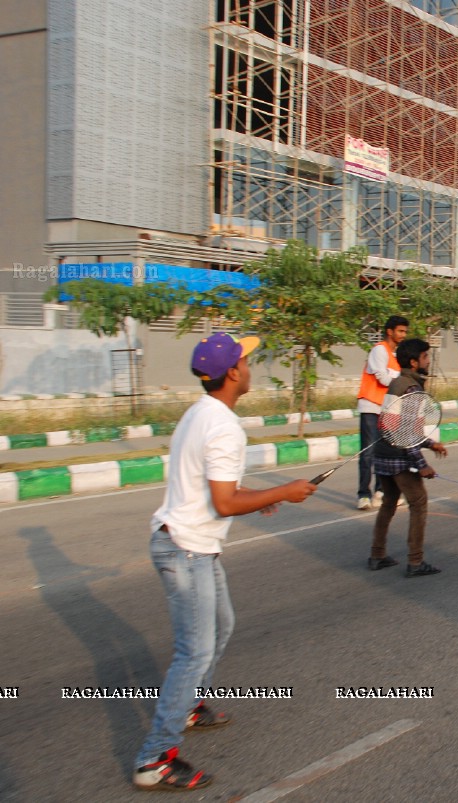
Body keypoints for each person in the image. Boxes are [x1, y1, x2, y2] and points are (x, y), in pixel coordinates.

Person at [133, 334, 317, 791]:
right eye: (247, 361)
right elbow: (223, 502)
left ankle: (190, 707)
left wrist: (260, 499)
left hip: (190, 544)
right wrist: (283, 491)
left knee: (223, 624)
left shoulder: (201, 413)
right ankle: (154, 757)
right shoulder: (223, 425)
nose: (251, 367)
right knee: (192, 652)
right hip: (187, 548)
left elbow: (221, 492)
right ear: (232, 373)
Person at [369, 338, 449, 576]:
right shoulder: (412, 389)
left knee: (388, 504)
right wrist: (422, 465)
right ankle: (415, 562)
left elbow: (398, 427)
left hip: (382, 453)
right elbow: (405, 434)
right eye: (425, 357)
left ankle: (377, 555)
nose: (428, 361)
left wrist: (431, 444)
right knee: (419, 503)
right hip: (399, 457)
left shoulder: (397, 382)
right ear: (414, 362)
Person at [356, 315, 409, 510]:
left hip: (386, 409)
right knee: (368, 453)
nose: (403, 335)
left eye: (405, 332)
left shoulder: (395, 355)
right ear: (390, 331)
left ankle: (381, 492)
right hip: (371, 406)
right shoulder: (379, 350)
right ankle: (363, 494)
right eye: (400, 331)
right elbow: (382, 378)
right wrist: (400, 380)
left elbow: (393, 379)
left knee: (384, 453)